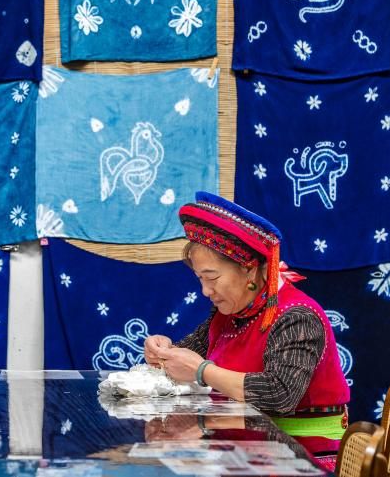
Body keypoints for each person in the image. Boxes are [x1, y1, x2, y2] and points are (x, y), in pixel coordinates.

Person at [144, 192, 350, 471]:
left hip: (302, 458)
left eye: (212, 277)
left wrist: (201, 371)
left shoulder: (297, 317)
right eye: (200, 279)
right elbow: (185, 356)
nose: (205, 291)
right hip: (242, 449)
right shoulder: (229, 314)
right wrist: (163, 351)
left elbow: (280, 394)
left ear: (250, 270)